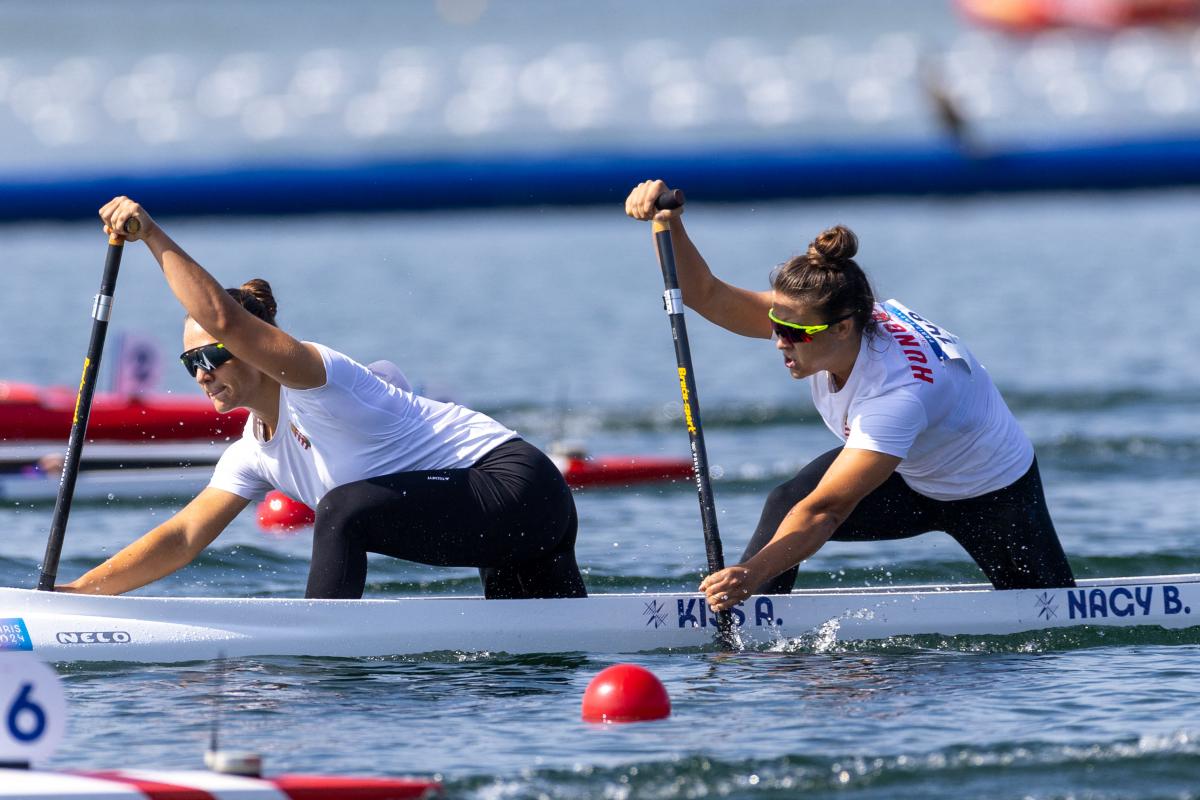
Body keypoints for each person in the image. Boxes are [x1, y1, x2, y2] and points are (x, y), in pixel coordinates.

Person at [58, 196, 587, 601]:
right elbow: (183, 537)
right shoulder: (251, 454)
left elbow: (223, 318)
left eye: (212, 356)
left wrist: (150, 234)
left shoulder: (317, 381)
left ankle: (322, 658)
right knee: (530, 669)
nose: (202, 373)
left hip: (516, 485)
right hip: (499, 526)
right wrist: (78, 596)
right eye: (189, 363)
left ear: (254, 344)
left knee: (342, 509)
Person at [624, 180, 1075, 612]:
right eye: (775, 324)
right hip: (908, 468)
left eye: (793, 333)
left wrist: (746, 572)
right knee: (786, 504)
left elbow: (826, 513)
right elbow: (706, 294)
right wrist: (668, 223)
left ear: (842, 329)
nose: (779, 340)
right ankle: (748, 634)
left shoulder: (896, 396)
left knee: (1056, 614)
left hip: (990, 490)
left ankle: (740, 589)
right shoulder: (825, 314)